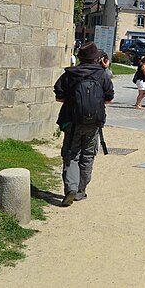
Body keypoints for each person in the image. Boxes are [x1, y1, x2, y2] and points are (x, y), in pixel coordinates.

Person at [54, 42, 114, 207]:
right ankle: (80, 191)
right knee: (88, 155)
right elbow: (109, 98)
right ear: (96, 59)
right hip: (94, 123)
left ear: (80, 58)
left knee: (72, 154)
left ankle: (71, 188)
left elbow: (59, 97)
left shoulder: (70, 74)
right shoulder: (102, 75)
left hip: (73, 122)